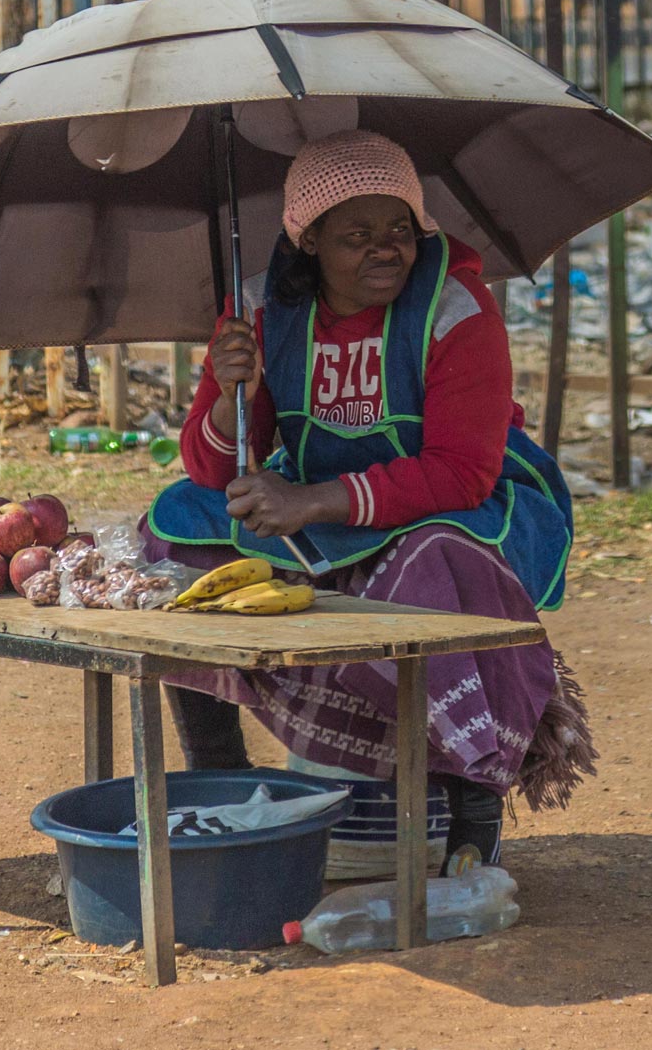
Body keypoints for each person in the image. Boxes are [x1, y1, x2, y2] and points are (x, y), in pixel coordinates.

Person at [141, 129, 594, 872]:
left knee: (435, 564)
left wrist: (312, 502)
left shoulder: (457, 311)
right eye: (357, 236)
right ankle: (216, 768)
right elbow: (212, 467)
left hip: (453, 509)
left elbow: (459, 474)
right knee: (173, 535)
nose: (386, 250)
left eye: (400, 231)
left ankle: (470, 798)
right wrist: (227, 399)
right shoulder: (261, 309)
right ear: (309, 239)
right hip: (321, 506)